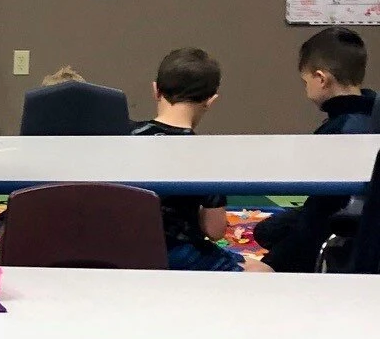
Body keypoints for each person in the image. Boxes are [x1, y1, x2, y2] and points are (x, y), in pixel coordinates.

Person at [251, 28, 375, 272]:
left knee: (281, 236)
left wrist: (272, 265)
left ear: (321, 79)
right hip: (363, 211)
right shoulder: (371, 112)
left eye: (305, 81)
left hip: (340, 220)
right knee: (268, 229)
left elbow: (319, 216)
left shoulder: (338, 135)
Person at [132, 47, 252, 270]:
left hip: (123, 251)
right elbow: (215, 230)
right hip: (178, 255)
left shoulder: (124, 136)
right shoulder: (204, 154)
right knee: (263, 271)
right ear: (210, 101)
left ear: (156, 90)